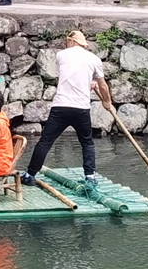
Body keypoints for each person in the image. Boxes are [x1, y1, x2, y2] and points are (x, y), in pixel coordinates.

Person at [22, 30, 113, 187]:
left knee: (45, 141)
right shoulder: (94, 59)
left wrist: (88, 85)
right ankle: (90, 177)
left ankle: (30, 174)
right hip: (81, 108)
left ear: (72, 41)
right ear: (82, 44)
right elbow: (102, 85)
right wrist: (107, 102)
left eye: (67, 41)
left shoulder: (61, 55)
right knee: (87, 143)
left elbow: (66, 76)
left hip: (61, 106)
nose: (66, 44)